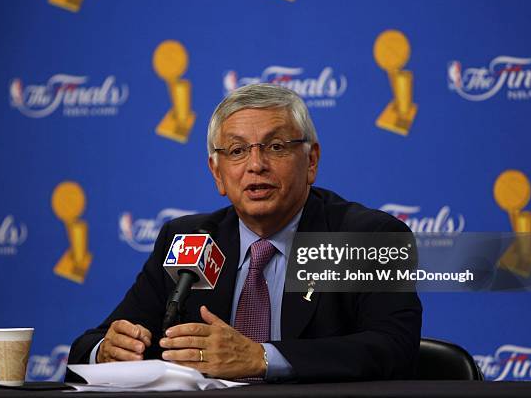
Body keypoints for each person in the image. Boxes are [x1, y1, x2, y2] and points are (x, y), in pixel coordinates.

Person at [66, 83, 422, 382]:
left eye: (276, 147)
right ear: (217, 173)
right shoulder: (191, 240)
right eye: (237, 151)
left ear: (311, 161)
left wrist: (262, 358)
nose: (256, 165)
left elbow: (393, 347)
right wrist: (107, 351)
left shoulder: (364, 236)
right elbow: (89, 345)